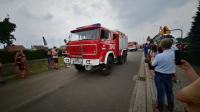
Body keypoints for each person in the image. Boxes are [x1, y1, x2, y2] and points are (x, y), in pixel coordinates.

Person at [151, 38, 176, 112]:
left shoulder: (159, 56)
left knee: (161, 93)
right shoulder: (174, 54)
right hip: (170, 76)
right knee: (170, 92)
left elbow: (153, 64)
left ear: (162, 46)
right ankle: (171, 108)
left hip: (160, 76)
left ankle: (160, 108)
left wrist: (152, 58)